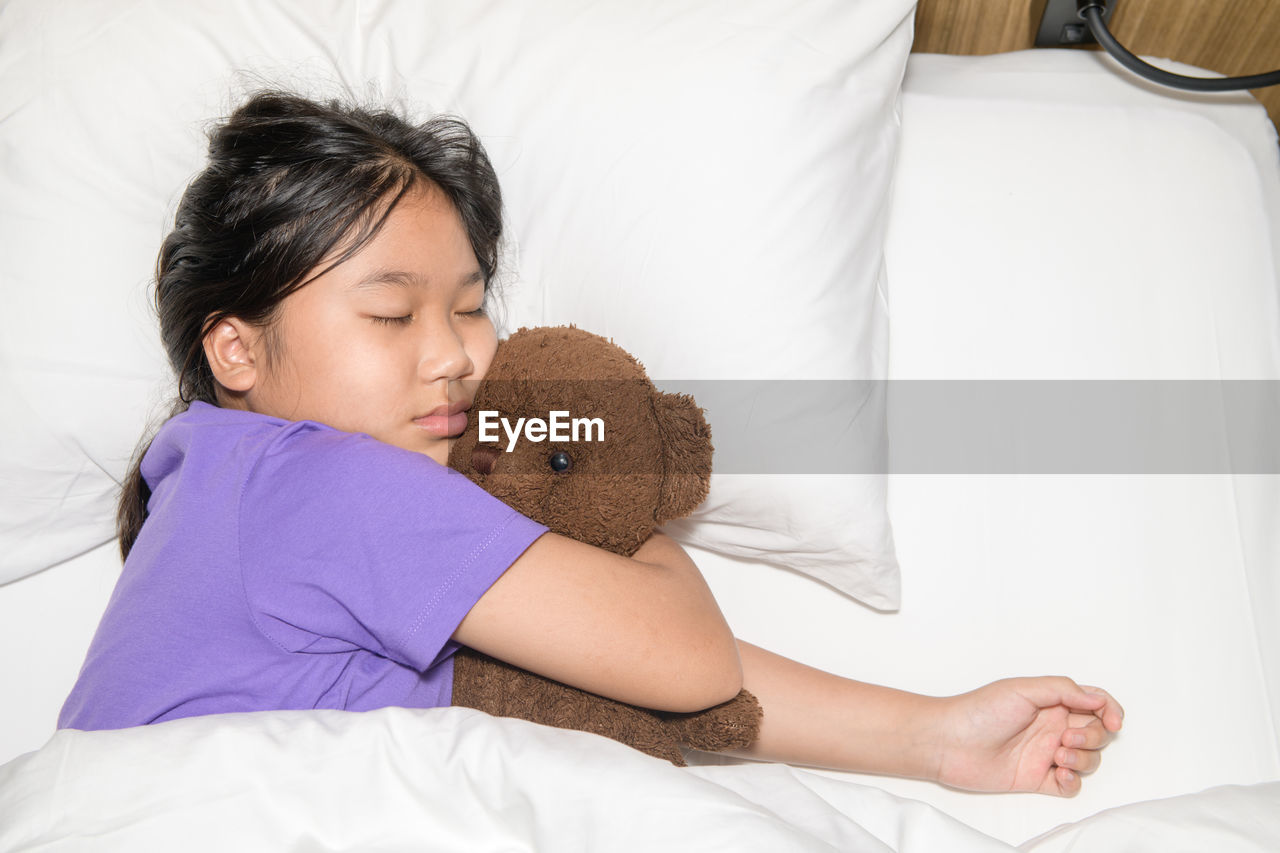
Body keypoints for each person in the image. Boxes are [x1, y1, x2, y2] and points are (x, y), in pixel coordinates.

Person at [59, 90, 1122, 797]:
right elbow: (677, 653)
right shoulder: (316, 478)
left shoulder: (227, 488)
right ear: (235, 349)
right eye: (389, 316)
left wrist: (928, 736)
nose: (451, 358)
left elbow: (594, 662)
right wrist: (587, 479)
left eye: (469, 307)